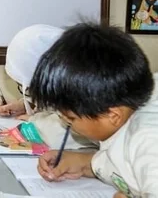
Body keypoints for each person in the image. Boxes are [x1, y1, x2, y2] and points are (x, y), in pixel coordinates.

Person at [30, 22, 158, 197]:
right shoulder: (123, 117)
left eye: (71, 118)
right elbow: (121, 161)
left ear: (112, 115)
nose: (66, 123)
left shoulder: (148, 141)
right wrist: (83, 163)